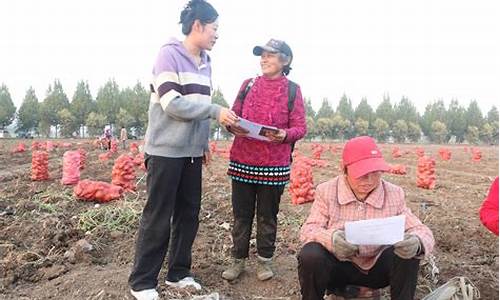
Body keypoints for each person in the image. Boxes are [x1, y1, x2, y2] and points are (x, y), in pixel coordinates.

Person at [128, 1, 238, 299]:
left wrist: (202, 143)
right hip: (165, 150)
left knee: (189, 214)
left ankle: (179, 272)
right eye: (214, 29)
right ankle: (142, 281)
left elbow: (198, 105)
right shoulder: (169, 54)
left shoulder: (206, 61)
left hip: (190, 152)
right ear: (198, 25)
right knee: (158, 214)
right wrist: (216, 111)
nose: (217, 35)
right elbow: (172, 103)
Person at [297, 136, 435, 300]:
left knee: (409, 253)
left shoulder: (393, 194)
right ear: (344, 169)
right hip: (340, 268)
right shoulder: (327, 191)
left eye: (375, 173)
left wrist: (418, 242)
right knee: (310, 254)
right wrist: (331, 239)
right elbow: (308, 230)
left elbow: (421, 230)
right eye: (362, 174)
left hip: (377, 269)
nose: (369, 181)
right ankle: (339, 291)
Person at [222, 39, 307, 282]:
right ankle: (237, 260)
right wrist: (232, 125)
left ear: (285, 60)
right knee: (241, 214)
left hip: (274, 165)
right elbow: (233, 114)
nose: (264, 59)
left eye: (270, 55)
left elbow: (300, 127)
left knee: (267, 215)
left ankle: (264, 261)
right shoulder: (247, 85)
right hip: (242, 160)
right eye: (262, 55)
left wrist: (284, 135)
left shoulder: (292, 90)